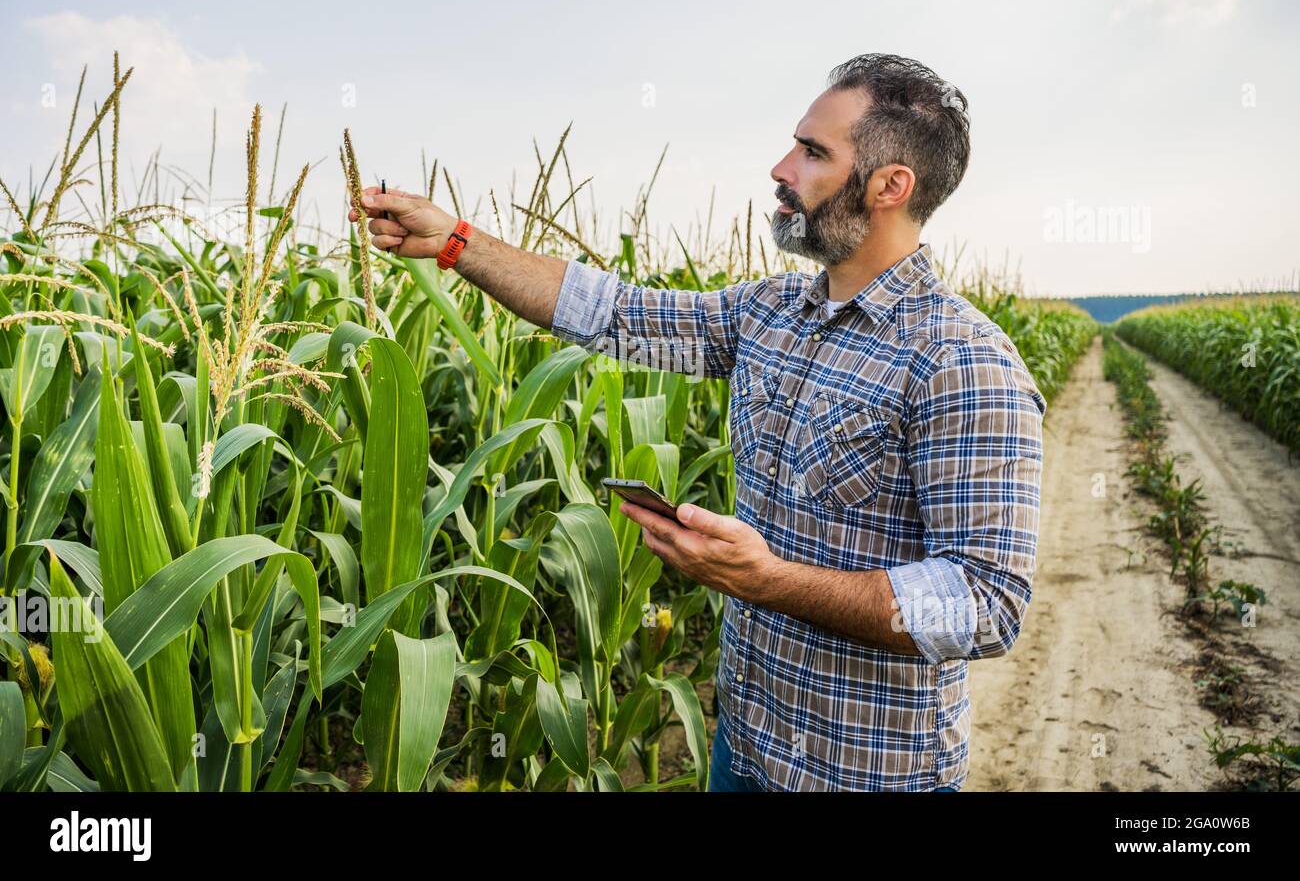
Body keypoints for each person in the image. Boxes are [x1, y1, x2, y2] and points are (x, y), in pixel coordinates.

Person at [349, 53, 1046, 792]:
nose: (782, 167)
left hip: (865, 772)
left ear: (889, 185)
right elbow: (614, 313)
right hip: (742, 747)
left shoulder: (962, 361)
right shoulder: (769, 314)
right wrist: (454, 241)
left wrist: (767, 580)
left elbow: (985, 602)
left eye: (814, 152)